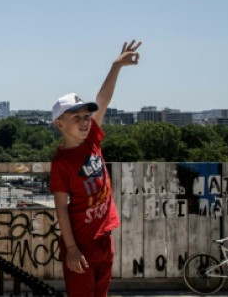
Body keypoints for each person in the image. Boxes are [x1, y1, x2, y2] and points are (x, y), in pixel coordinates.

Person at [50, 40, 141, 297]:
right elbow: (61, 209)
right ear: (60, 124)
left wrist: (116, 67)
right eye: (75, 118)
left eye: (86, 117)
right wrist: (71, 248)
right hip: (81, 245)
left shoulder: (92, 141)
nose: (84, 122)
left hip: (104, 240)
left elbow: (102, 100)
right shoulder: (61, 162)